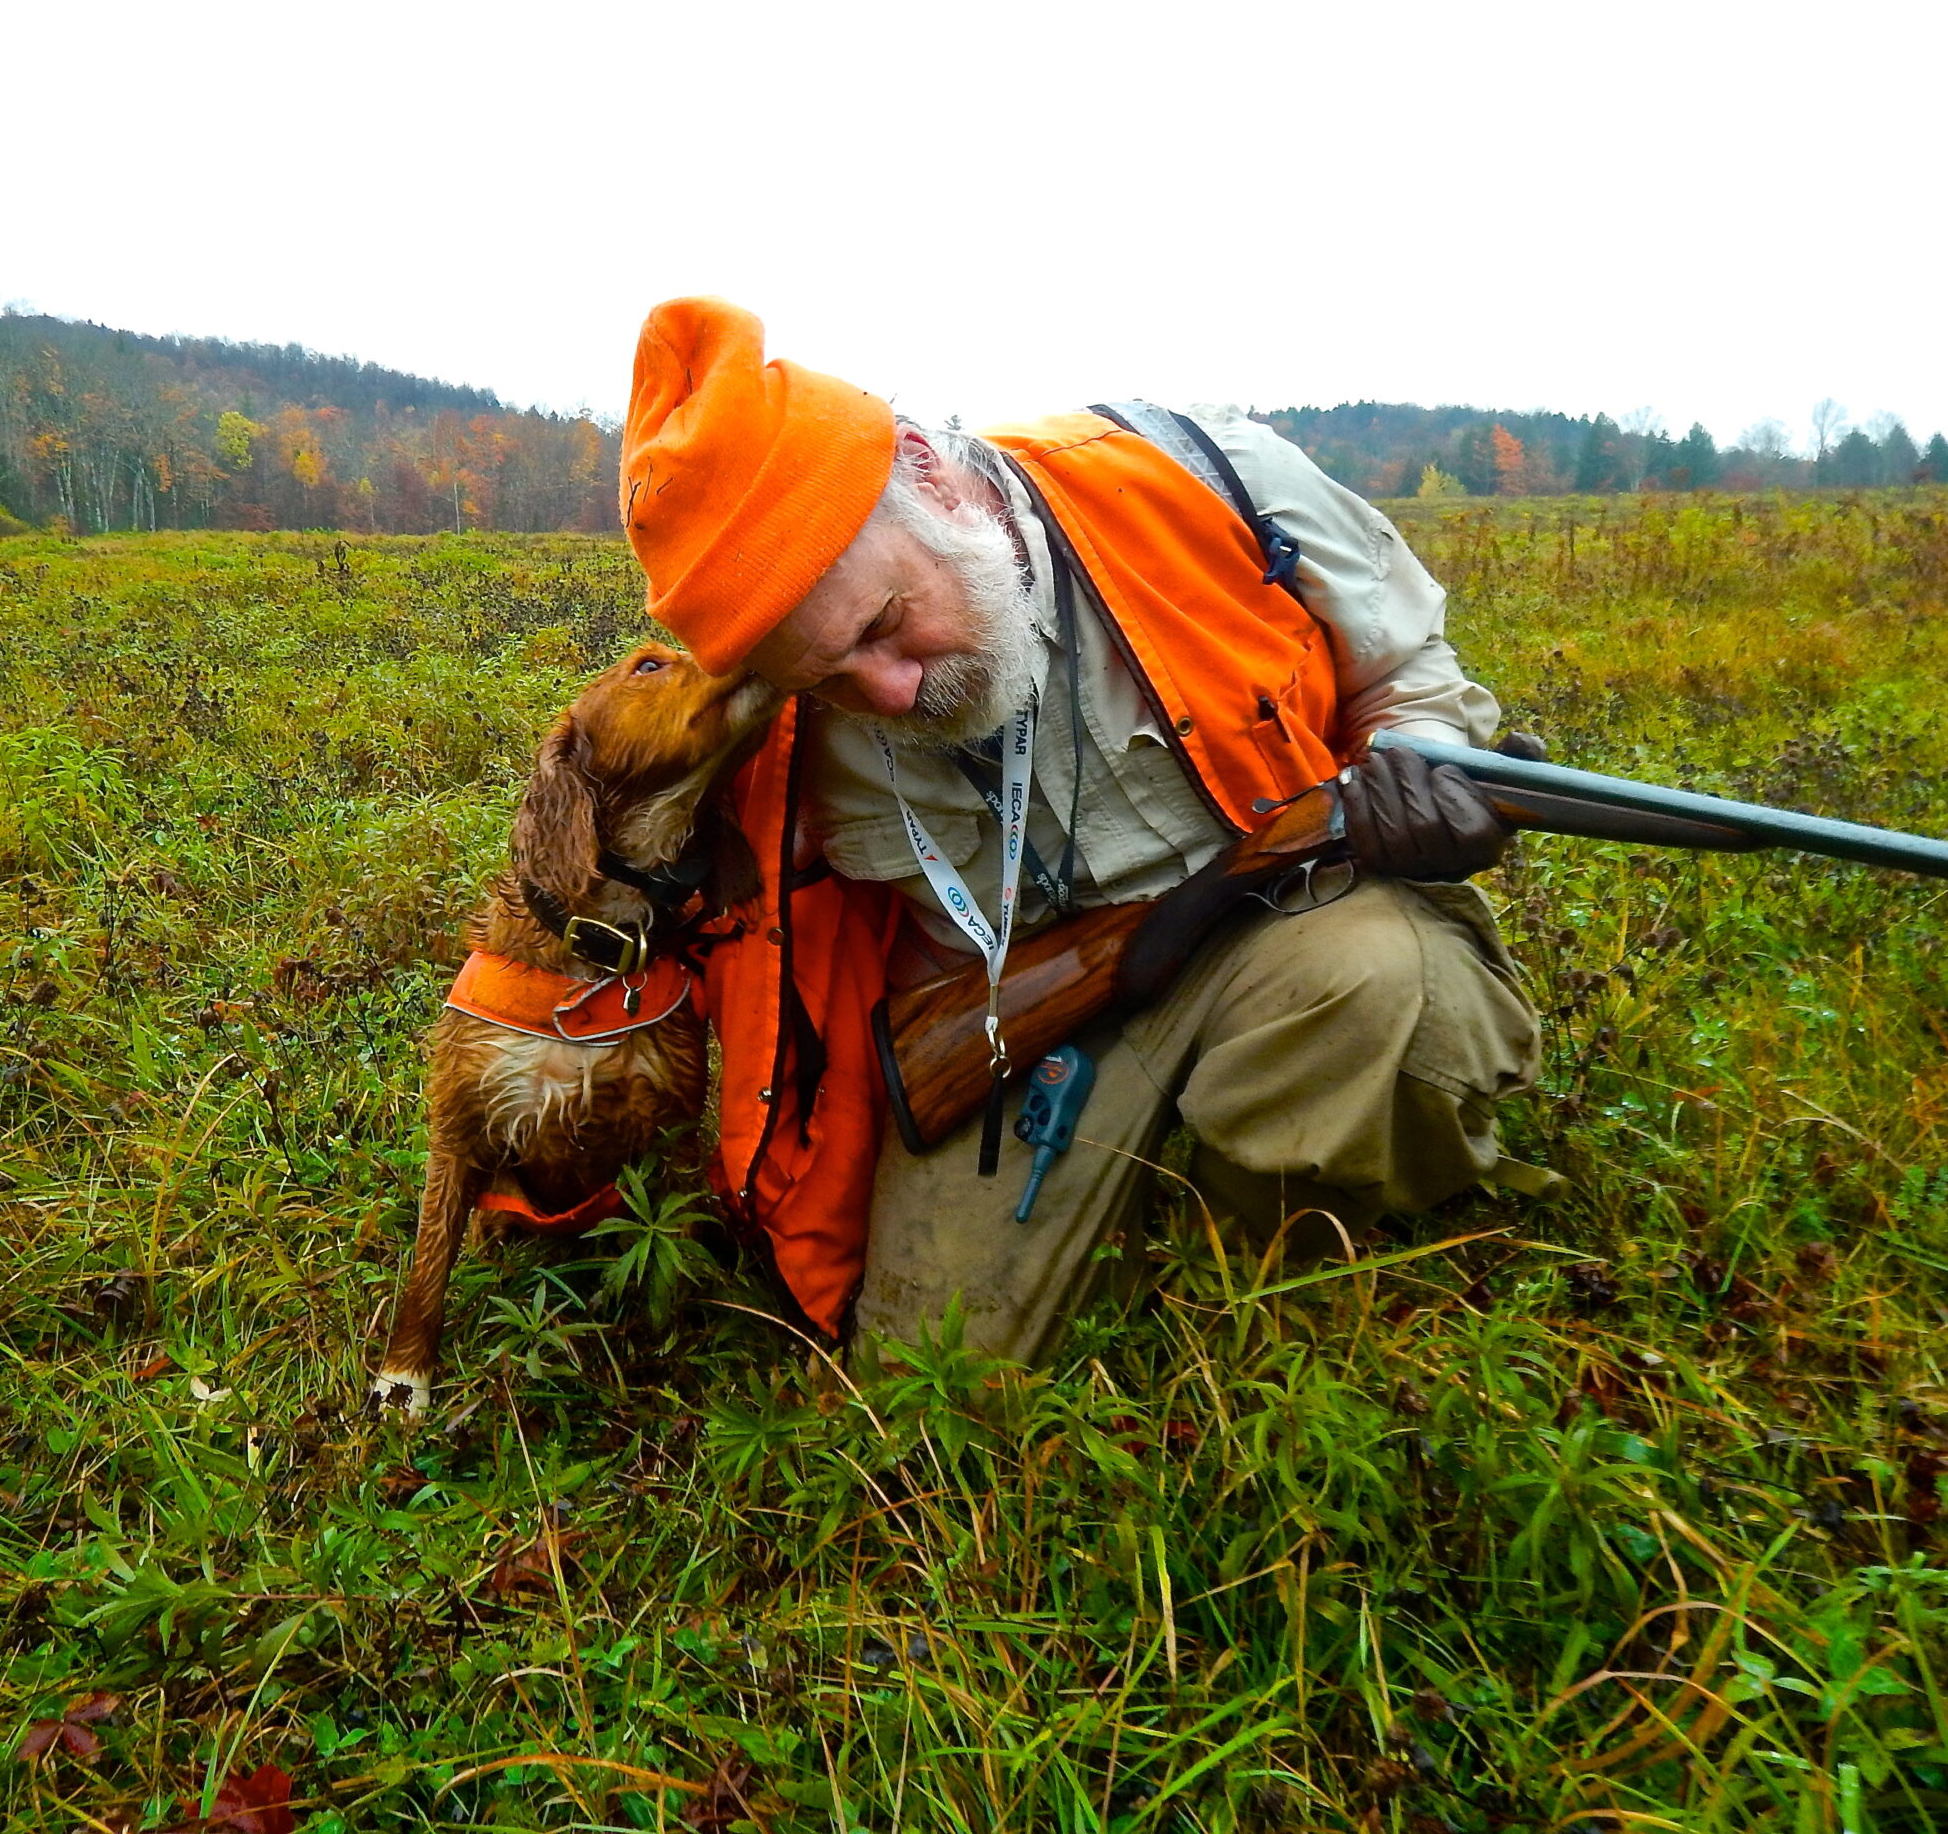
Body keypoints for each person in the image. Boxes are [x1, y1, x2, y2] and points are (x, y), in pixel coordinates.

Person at [601, 297, 1541, 1362]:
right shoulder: (790, 735)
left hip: (1298, 916)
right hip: (1033, 1010)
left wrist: (1408, 770)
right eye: (831, 679)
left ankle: (1245, 1264)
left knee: (1393, 992)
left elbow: (1408, 678)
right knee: (937, 1370)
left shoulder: (1207, 476)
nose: (894, 692)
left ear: (924, 468)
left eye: (882, 625)